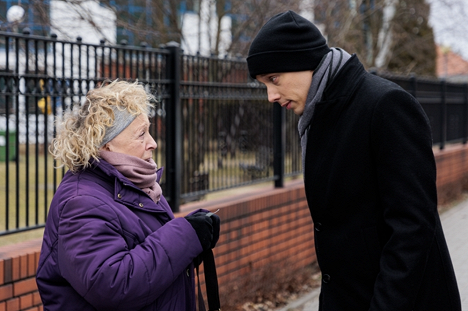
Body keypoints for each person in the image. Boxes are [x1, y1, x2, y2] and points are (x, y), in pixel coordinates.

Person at [247, 10, 461, 311]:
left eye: (273, 78)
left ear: (304, 61)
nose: (270, 95)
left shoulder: (385, 105)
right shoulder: (319, 116)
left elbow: (412, 226)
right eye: (263, 84)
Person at [36, 80, 220, 311]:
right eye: (141, 134)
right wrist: (186, 235)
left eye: (149, 131)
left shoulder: (139, 185)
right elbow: (113, 285)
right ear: (106, 145)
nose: (152, 143)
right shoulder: (81, 202)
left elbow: (152, 256)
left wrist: (194, 240)